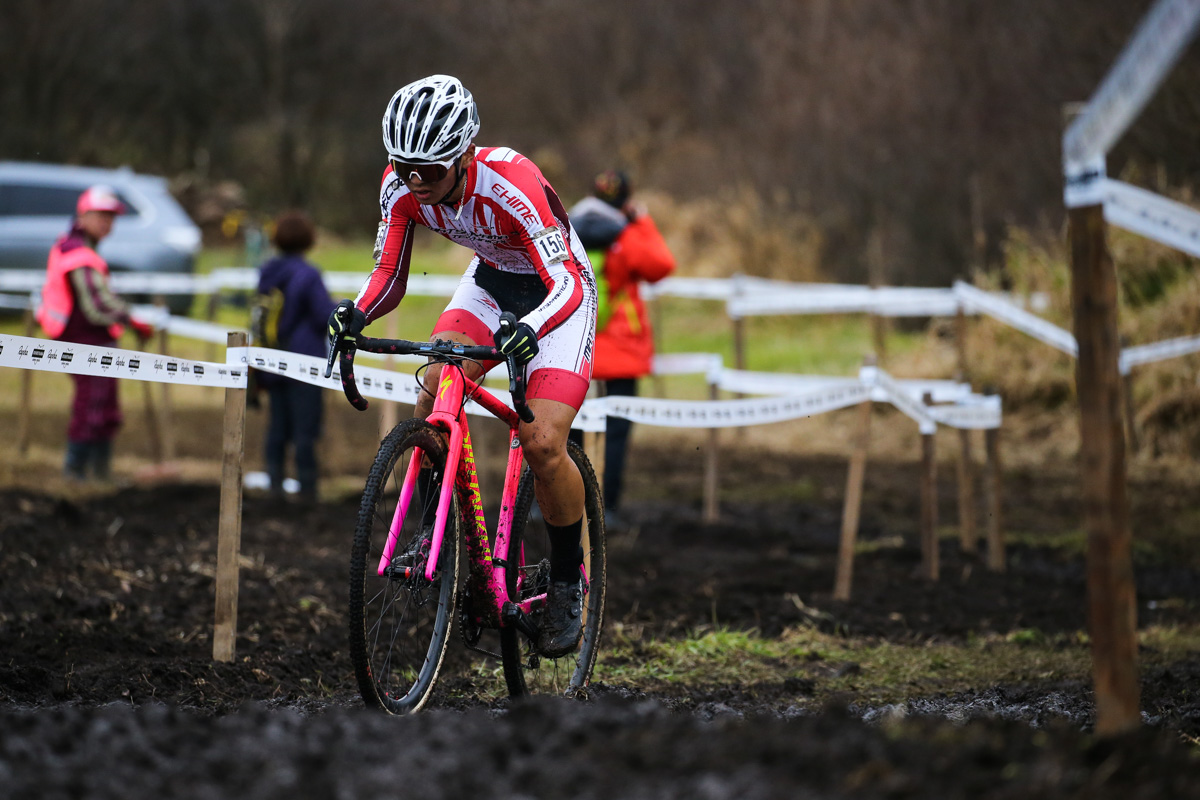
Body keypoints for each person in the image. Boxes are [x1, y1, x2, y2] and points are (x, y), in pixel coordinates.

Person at [328, 74, 598, 658]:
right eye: (405, 169)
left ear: (463, 155)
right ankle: (436, 533)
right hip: (489, 284)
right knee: (433, 392)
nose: (416, 184)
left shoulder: (511, 181)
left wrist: (529, 329)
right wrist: (357, 314)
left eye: (428, 171)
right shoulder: (399, 186)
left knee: (544, 442)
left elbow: (567, 281)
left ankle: (566, 581)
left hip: (557, 295)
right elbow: (389, 277)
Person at [569, 171, 675, 528]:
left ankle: (558, 506)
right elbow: (662, 266)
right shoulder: (627, 234)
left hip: (574, 348)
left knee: (568, 433)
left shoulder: (568, 229)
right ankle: (608, 508)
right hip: (622, 351)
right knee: (616, 435)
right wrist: (641, 221)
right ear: (625, 201)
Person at [37, 185, 154, 481]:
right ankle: (76, 473)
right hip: (86, 340)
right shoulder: (80, 255)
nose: (107, 222)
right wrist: (130, 319)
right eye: (101, 215)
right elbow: (97, 305)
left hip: (89, 338)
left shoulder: (73, 246)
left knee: (103, 404)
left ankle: (99, 473)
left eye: (111, 217)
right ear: (83, 214)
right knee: (92, 405)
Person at [254, 210, 337, 500]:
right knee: (305, 430)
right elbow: (320, 316)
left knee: (278, 427)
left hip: (272, 360)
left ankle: (274, 485)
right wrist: (339, 308)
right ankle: (307, 489)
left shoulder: (267, 272)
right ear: (308, 239)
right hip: (304, 364)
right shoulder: (308, 274)